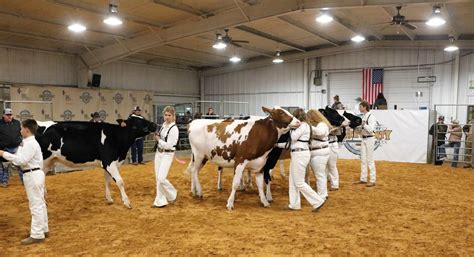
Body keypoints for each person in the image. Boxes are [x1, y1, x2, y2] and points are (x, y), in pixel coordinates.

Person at [0, 119, 49, 245]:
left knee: (36, 205)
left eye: (21, 128)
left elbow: (21, 161)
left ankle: (37, 234)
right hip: (34, 173)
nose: (20, 130)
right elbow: (18, 158)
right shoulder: (27, 143)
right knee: (40, 203)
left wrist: (4, 154)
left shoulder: (30, 144)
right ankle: (43, 228)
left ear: (26, 130)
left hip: (32, 174)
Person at [277, 108, 325, 212]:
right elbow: (291, 144)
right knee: (292, 181)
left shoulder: (303, 125)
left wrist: (290, 127)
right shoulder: (304, 126)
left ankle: (317, 201)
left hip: (300, 154)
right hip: (298, 153)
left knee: (299, 182)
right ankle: (294, 204)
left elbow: (293, 138)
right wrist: (276, 145)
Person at [152, 106, 179, 208]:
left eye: (169, 115)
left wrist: (158, 139)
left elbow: (168, 145)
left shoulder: (174, 129)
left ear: (173, 116)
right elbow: (162, 138)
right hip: (158, 153)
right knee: (158, 179)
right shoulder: (163, 125)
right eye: (165, 115)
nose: (167, 117)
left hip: (167, 154)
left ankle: (172, 194)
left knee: (161, 178)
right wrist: (158, 135)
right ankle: (160, 201)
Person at [307, 109, 331, 200]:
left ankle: (322, 196)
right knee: (321, 174)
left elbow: (320, 133)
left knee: (319, 175)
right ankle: (324, 193)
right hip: (319, 152)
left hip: (319, 152)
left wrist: (308, 127)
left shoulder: (322, 125)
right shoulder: (320, 124)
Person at [356, 101, 377, 187]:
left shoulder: (371, 117)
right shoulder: (364, 116)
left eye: (360, 106)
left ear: (365, 107)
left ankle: (372, 180)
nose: (359, 108)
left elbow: (371, 130)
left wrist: (363, 125)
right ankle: (363, 178)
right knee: (363, 160)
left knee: (370, 160)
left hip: (370, 139)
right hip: (363, 138)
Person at [0, 108, 22, 187]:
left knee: (19, 164)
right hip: (4, 148)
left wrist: (20, 143)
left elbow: (20, 133)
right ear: (3, 115)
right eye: (7, 115)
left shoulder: (17, 123)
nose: (9, 116)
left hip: (16, 147)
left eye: (10, 115)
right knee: (4, 166)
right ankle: (3, 182)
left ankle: (24, 181)